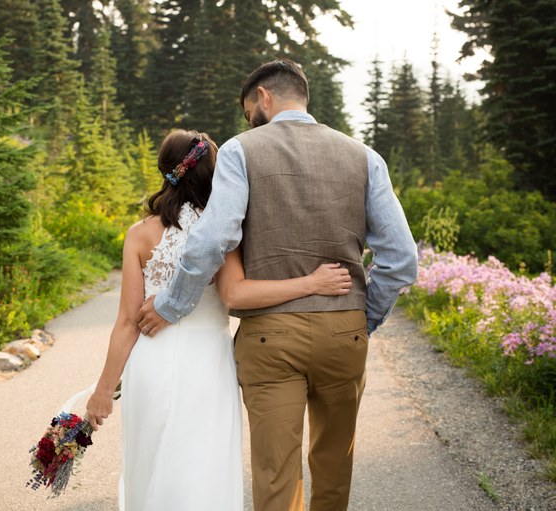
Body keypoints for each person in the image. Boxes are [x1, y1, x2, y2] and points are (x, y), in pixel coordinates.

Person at [136, 60, 418, 510]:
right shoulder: (364, 156)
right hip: (343, 333)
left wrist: (171, 305)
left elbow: (212, 240)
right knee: (334, 466)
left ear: (264, 98)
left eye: (251, 113)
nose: (251, 122)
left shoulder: (240, 151)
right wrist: (362, 317)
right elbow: (402, 258)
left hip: (270, 336)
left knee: (275, 475)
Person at [86, 128, 354, 511]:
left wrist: (103, 392)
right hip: (208, 366)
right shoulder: (225, 231)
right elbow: (236, 295)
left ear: (165, 170)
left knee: (149, 468)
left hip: (151, 364)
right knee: (204, 469)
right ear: (214, 171)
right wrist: (311, 283)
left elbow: (127, 323)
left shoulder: (139, 235)